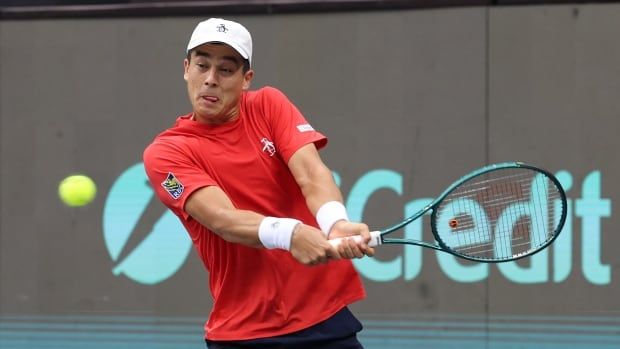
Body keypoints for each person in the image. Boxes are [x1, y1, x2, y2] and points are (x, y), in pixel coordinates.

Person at [143, 18, 374, 349]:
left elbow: (311, 173)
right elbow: (223, 219)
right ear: (186, 68)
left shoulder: (269, 104)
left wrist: (334, 221)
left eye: (225, 70)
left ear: (246, 79)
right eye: (202, 65)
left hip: (323, 318)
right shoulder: (166, 153)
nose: (210, 79)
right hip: (244, 333)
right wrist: (291, 234)